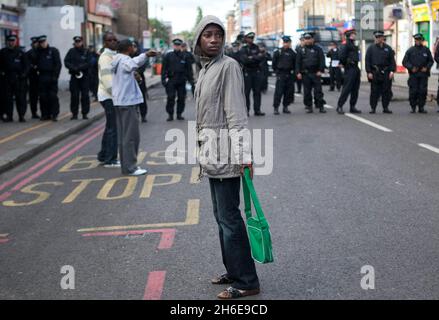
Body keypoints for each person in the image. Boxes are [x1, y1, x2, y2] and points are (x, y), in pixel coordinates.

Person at [193, 15, 260, 300]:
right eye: (208, 34)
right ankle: (233, 271)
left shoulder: (228, 67)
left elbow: (236, 116)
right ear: (198, 39)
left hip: (227, 155)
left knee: (230, 219)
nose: (214, 40)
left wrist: (245, 156)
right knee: (221, 217)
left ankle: (246, 281)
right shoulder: (206, 68)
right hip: (211, 153)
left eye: (218, 35)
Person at [111, 39, 156, 176]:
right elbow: (132, 64)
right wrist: (146, 55)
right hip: (127, 103)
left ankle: (127, 166)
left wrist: (135, 76)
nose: (134, 48)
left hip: (120, 102)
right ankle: (130, 167)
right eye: (133, 46)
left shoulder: (117, 59)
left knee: (123, 137)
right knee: (131, 137)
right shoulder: (124, 59)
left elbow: (129, 70)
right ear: (128, 48)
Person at [97, 32, 120, 168]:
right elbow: (107, 79)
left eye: (115, 39)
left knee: (110, 127)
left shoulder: (113, 55)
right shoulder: (105, 57)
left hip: (111, 96)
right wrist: (117, 95)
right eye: (109, 40)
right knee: (113, 128)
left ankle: (103, 154)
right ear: (105, 42)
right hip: (109, 96)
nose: (113, 41)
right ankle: (110, 159)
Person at [162, 39, 193, 121]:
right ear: (173, 46)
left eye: (178, 45)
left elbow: (189, 69)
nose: (177, 46)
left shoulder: (185, 56)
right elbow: (164, 69)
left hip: (182, 80)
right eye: (175, 45)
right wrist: (163, 80)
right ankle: (170, 114)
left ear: (180, 46)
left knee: (181, 98)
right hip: (171, 79)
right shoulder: (168, 56)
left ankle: (179, 113)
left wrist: (191, 80)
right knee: (170, 97)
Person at [0, 35, 29, 122]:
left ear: (16, 41)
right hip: (7, 78)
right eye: (10, 41)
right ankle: (9, 116)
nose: (11, 42)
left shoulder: (20, 52)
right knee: (7, 98)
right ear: (7, 42)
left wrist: (24, 74)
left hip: (18, 79)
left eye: (13, 41)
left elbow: (26, 65)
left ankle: (21, 115)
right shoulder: (2, 52)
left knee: (20, 98)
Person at [366, 30, 396, 114]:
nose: (379, 39)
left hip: (386, 72)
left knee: (386, 91)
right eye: (377, 37)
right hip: (375, 72)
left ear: (383, 38)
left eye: (380, 37)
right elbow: (367, 61)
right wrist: (369, 72)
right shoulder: (371, 48)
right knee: (374, 91)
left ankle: (385, 107)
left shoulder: (388, 48)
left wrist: (392, 71)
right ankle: (373, 108)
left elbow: (392, 61)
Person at [296, 32, 326, 114]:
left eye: (309, 39)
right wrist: (298, 72)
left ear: (312, 39)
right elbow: (298, 62)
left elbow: (322, 61)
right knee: (307, 92)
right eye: (306, 39)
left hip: (316, 73)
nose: (307, 40)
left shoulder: (318, 49)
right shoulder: (300, 50)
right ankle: (309, 106)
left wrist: (320, 70)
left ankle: (320, 106)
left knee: (318, 91)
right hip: (305, 74)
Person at [403, 33, 434, 114]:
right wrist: (411, 67)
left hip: (423, 74)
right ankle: (413, 107)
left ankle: (421, 107)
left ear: (421, 40)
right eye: (416, 40)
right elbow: (405, 62)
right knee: (413, 91)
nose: (418, 41)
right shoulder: (410, 50)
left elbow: (431, 61)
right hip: (414, 74)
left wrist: (427, 67)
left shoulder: (426, 50)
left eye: (419, 40)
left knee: (422, 91)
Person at [35, 35, 62, 121]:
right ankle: (45, 114)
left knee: (52, 96)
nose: (43, 44)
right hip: (42, 76)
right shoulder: (37, 52)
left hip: (51, 76)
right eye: (41, 43)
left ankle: (54, 114)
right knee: (43, 97)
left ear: (46, 42)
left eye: (44, 42)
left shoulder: (53, 51)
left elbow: (58, 64)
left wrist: (55, 76)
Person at [239, 32, 266, 116]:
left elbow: (261, 57)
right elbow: (245, 60)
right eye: (249, 38)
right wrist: (255, 57)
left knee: (257, 92)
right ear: (246, 39)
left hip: (256, 72)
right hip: (247, 72)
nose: (251, 39)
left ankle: (257, 110)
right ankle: (246, 110)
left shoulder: (256, 47)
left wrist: (252, 57)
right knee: (246, 93)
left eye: (252, 38)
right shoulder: (243, 49)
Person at [64, 36, 91, 120]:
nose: (78, 43)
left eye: (79, 41)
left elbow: (89, 62)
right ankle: (74, 114)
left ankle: (85, 113)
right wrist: (73, 68)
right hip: (74, 76)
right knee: (74, 96)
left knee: (85, 96)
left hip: (84, 77)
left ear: (82, 42)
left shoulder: (86, 51)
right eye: (76, 42)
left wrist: (80, 67)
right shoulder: (71, 51)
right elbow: (66, 61)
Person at [337, 29, 362, 115]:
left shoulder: (353, 44)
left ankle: (352, 106)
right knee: (347, 88)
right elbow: (341, 56)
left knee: (355, 89)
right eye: (353, 34)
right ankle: (340, 106)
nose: (354, 35)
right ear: (349, 35)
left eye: (355, 34)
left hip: (355, 68)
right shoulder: (346, 44)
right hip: (350, 68)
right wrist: (346, 63)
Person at [272, 35, 296, 115]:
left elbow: (295, 64)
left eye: (287, 42)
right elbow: (274, 64)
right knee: (279, 92)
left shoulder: (292, 53)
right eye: (285, 42)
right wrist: (277, 72)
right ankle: (276, 108)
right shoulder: (278, 52)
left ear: (289, 43)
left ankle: (285, 107)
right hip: (281, 74)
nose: (286, 44)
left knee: (288, 92)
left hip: (289, 74)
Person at [131, 41, 148, 123]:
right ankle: (135, 115)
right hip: (130, 81)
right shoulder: (127, 56)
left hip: (140, 79)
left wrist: (137, 72)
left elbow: (143, 67)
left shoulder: (140, 56)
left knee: (142, 98)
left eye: (134, 46)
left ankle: (143, 115)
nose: (133, 48)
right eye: (132, 46)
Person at [27, 37, 41, 119]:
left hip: (42, 75)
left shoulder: (42, 52)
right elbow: (27, 64)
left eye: (36, 43)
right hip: (33, 76)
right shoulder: (29, 53)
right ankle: (34, 112)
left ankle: (45, 112)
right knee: (33, 96)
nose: (35, 44)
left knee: (43, 95)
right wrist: (33, 67)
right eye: (34, 43)